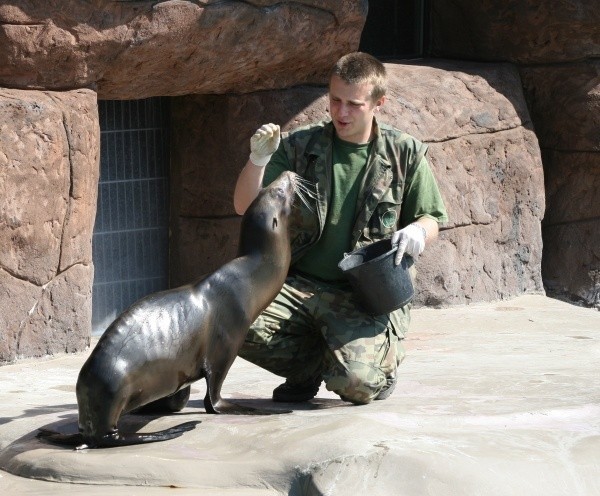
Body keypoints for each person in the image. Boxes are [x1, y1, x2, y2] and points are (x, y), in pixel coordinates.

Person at [233, 52, 448, 405]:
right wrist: (258, 160)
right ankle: (309, 370)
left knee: (357, 384)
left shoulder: (404, 153)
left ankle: (374, 366)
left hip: (364, 295)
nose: (341, 112)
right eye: (334, 100)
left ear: (379, 103)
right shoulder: (301, 147)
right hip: (299, 285)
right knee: (230, 321)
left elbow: (431, 217)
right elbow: (245, 206)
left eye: (354, 104)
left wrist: (419, 233)